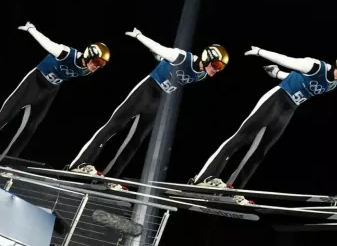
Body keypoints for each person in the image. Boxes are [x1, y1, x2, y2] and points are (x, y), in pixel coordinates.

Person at [191, 47, 337, 196]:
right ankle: (202, 179)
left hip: (288, 110)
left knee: (260, 151)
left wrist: (277, 74)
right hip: (276, 99)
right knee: (242, 138)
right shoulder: (315, 66)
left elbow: (297, 78)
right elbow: (287, 60)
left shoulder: (332, 85)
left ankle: (232, 188)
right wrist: (260, 52)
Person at [65, 28, 227, 183]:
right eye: (216, 65)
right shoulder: (182, 56)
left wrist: (160, 59)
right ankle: (78, 164)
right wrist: (139, 36)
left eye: (221, 68)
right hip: (146, 91)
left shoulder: (202, 75)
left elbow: (164, 60)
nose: (217, 70)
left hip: (159, 102)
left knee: (136, 140)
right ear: (207, 58)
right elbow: (158, 48)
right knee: (113, 127)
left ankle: (110, 177)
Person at [0, 22, 109, 164]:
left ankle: (5, 164)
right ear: (89, 54)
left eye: (101, 64)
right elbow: (46, 42)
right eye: (97, 61)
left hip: (50, 92)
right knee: (4, 117)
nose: (97, 66)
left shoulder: (86, 71)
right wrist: (31, 29)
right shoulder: (65, 53)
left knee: (28, 130)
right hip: (34, 83)